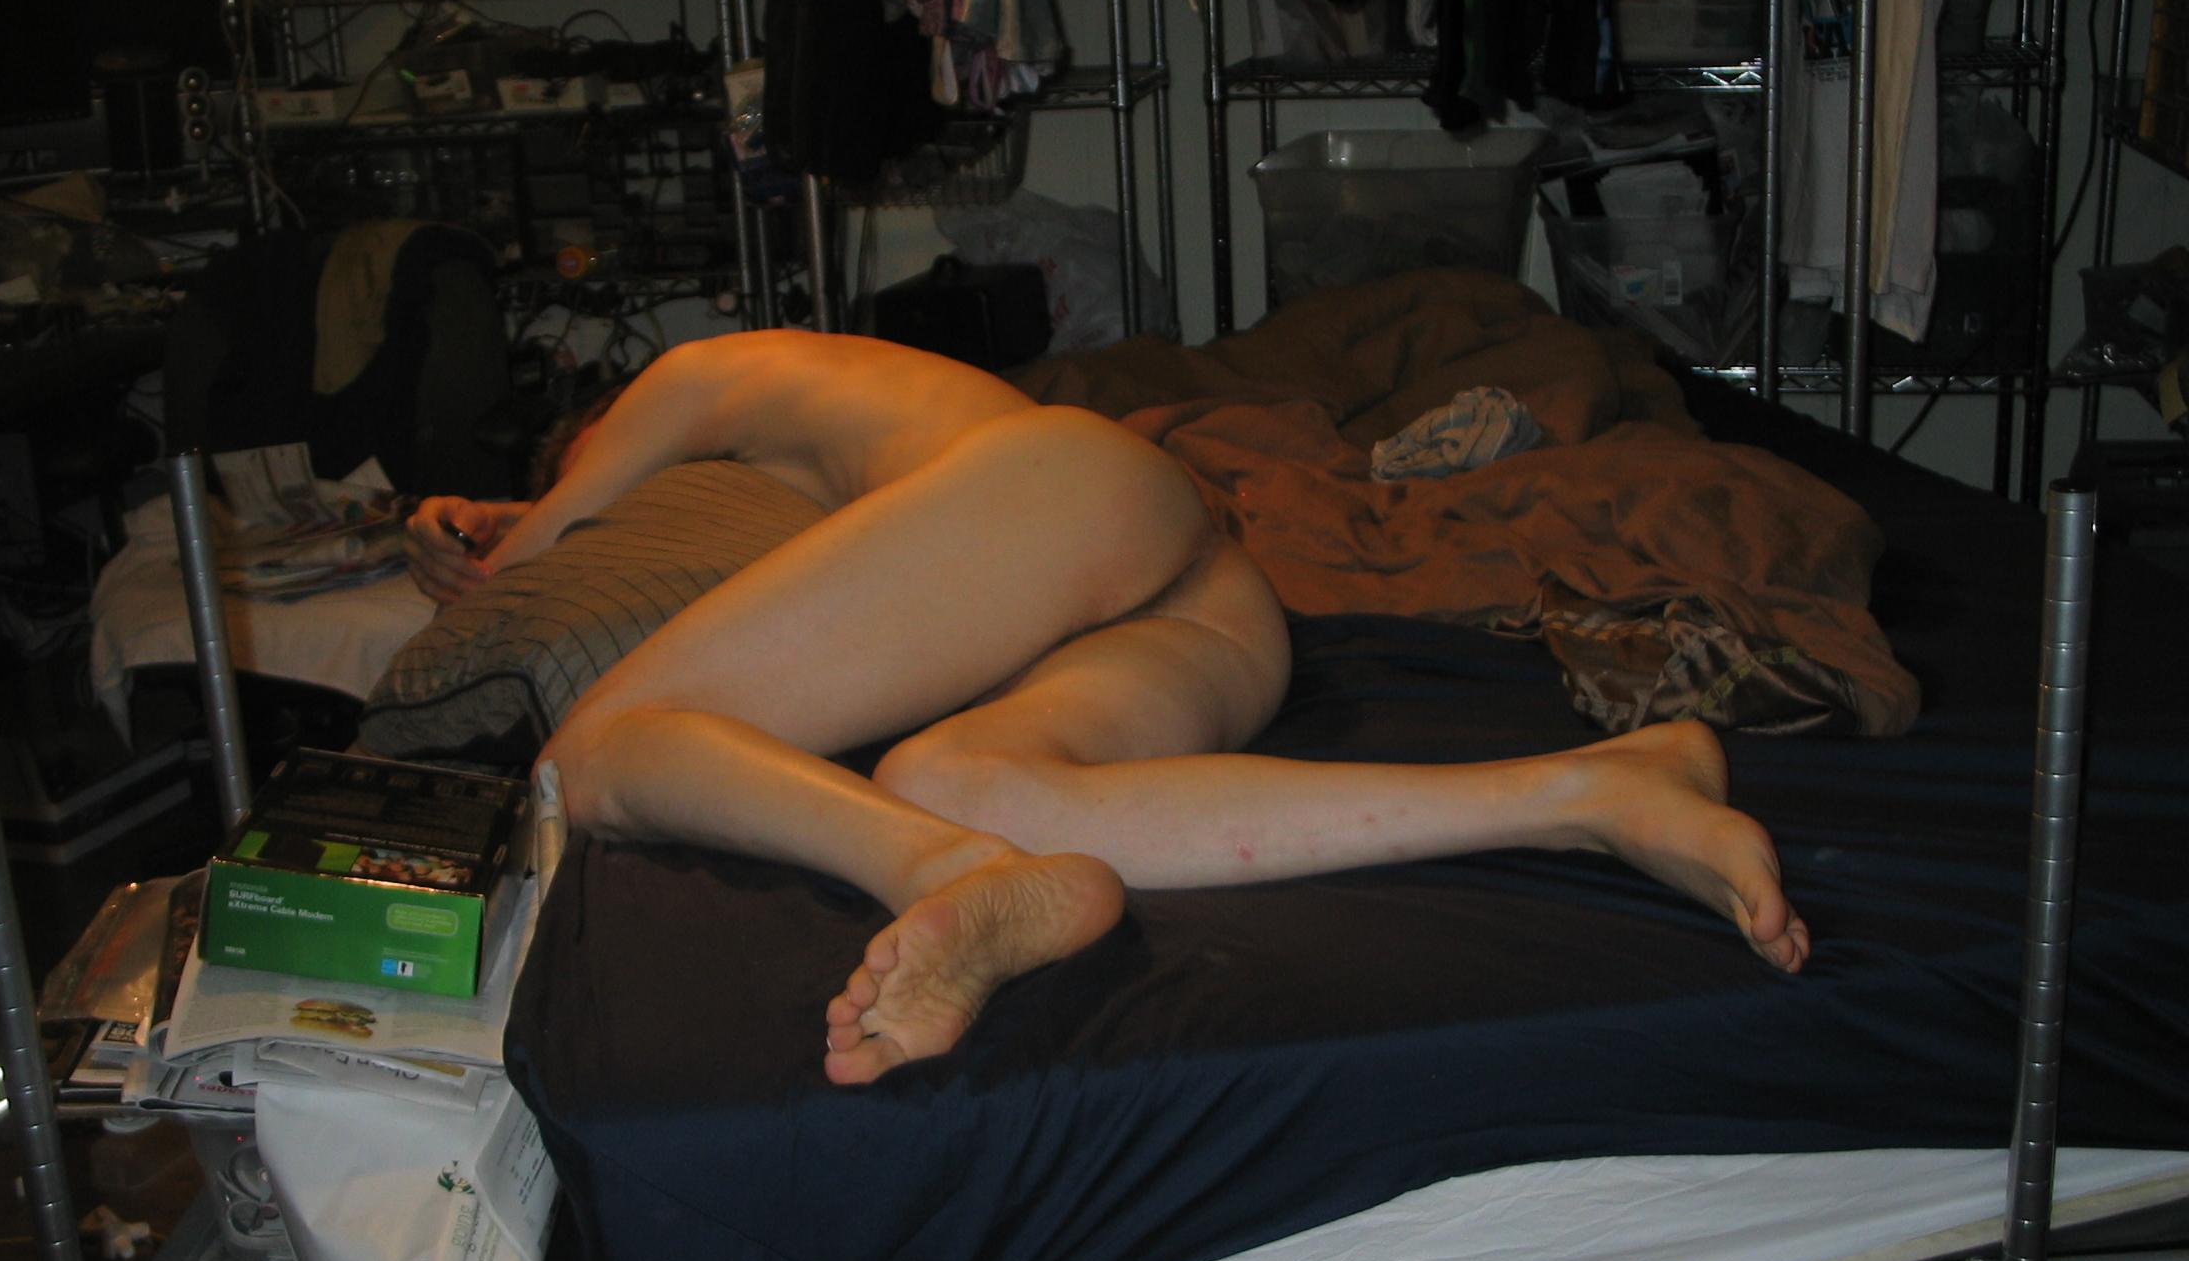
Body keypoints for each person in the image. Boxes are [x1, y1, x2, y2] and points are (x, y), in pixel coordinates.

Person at [406, 329, 1808, 1086]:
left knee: (588, 758)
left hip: (1070, 495)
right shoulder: (799, 472)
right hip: (1207, 601)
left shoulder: (699, 372)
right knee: (956, 774)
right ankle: (1598, 789)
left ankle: (940, 873)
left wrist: (489, 530)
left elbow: (537, 552)